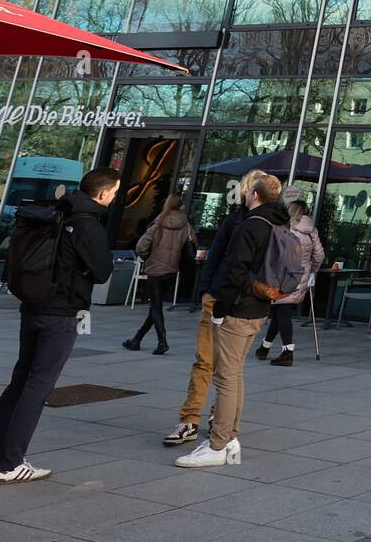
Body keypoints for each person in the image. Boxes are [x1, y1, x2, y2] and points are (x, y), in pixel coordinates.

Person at [0, 166, 116, 485]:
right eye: (116, 192)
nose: (115, 198)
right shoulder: (87, 223)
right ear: (104, 193)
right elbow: (103, 271)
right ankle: (11, 463)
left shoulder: (55, 214)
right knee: (39, 386)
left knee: (20, 380)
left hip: (33, 305)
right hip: (63, 312)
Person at [176, 169, 287, 469]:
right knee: (235, 374)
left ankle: (218, 444)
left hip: (237, 308)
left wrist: (219, 309)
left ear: (254, 194)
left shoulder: (252, 224)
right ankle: (231, 438)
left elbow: (235, 270)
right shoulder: (279, 222)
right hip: (260, 307)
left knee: (226, 377)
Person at [162, 179, 251, 447]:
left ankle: (219, 417)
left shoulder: (267, 224)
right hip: (216, 296)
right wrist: (206, 290)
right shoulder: (234, 220)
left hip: (242, 304)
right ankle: (190, 419)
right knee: (204, 360)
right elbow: (217, 254)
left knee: (231, 368)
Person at [123, 194, 196, 355]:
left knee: (155, 307)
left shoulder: (159, 222)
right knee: (156, 307)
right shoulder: (186, 225)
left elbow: (141, 246)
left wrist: (148, 257)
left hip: (155, 269)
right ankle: (137, 339)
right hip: (172, 270)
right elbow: (192, 246)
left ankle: (162, 341)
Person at [256, 198, 324, 365]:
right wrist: (312, 270)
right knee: (281, 309)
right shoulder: (311, 230)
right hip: (301, 273)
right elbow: (319, 255)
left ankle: (287, 351)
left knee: (283, 310)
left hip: (283, 274)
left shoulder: (284, 228)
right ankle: (265, 347)